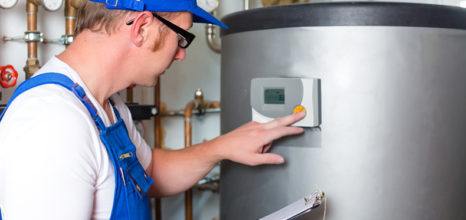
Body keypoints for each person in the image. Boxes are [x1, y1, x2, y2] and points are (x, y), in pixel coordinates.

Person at [0, 0, 305, 219]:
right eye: (182, 37)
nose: (181, 55)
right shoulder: (52, 123)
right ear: (142, 28)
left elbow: (150, 171)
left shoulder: (107, 103)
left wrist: (224, 146)